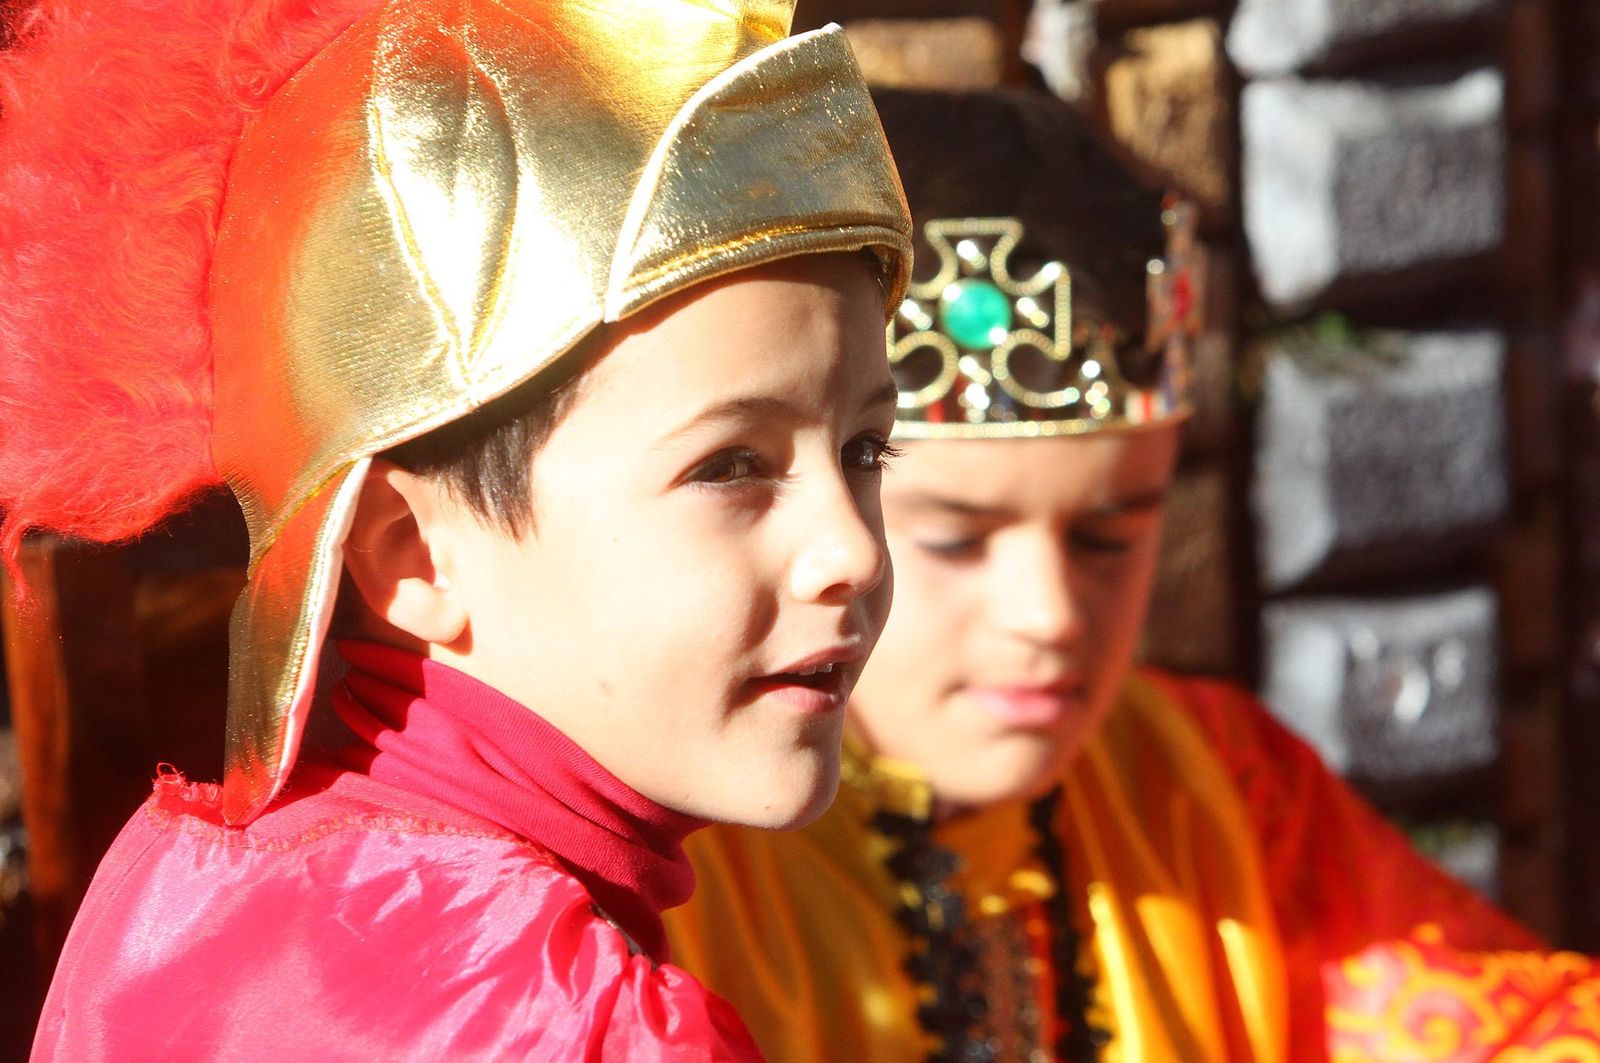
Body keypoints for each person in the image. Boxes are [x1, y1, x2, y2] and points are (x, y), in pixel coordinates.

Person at [0, 0, 913, 1057]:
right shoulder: (577, 1026)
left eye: (864, 451)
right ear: (412, 551)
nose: (850, 549)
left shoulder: (190, 897)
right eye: (731, 467)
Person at [664, 87, 1600, 1062]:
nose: (1047, 615)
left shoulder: (1210, 788)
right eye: (954, 540)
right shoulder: (669, 865)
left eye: (1107, 537)